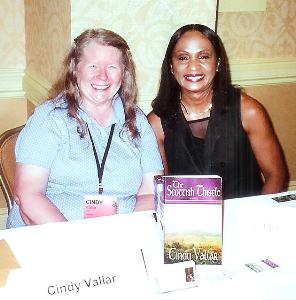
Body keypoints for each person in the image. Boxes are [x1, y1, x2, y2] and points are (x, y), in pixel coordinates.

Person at [7, 28, 163, 228]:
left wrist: (131, 234)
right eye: (93, 66)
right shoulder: (49, 118)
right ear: (75, 69)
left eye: (112, 67)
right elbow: (28, 194)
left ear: (124, 74)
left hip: (118, 236)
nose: (102, 76)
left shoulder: (138, 121)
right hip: (51, 236)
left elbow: (150, 191)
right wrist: (76, 245)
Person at [148, 24, 288, 199]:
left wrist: (255, 217)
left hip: (247, 217)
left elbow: (276, 175)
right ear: (171, 66)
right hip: (189, 220)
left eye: (204, 57)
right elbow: (163, 190)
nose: (193, 66)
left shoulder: (248, 111)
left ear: (218, 63)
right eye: (183, 58)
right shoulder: (156, 123)